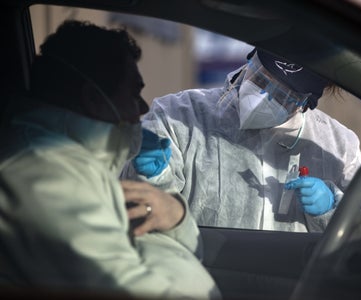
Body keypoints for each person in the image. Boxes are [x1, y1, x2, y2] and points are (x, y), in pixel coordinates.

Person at [0, 20, 221, 299]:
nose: (142, 107)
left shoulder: (72, 164)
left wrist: (174, 213)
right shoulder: (42, 174)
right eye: (134, 92)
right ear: (94, 98)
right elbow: (124, 288)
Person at [121, 48, 361, 232]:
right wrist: (152, 175)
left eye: (281, 95)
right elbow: (146, 210)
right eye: (260, 78)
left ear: (304, 103)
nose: (261, 97)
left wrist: (332, 208)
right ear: (248, 63)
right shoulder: (179, 115)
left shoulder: (337, 145)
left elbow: (360, 240)